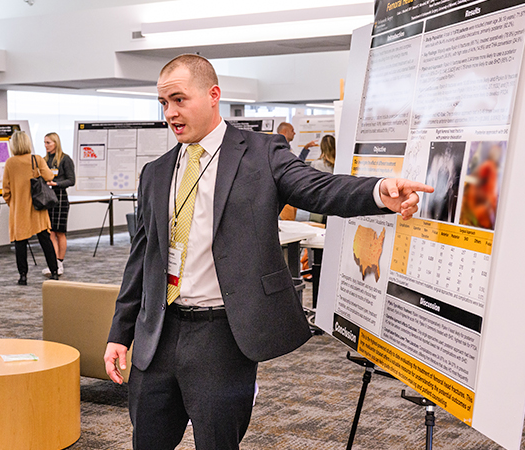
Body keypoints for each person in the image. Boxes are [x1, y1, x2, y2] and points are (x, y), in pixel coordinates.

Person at [104, 54, 432, 450]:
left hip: (221, 335)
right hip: (157, 333)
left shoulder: (261, 153)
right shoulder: (156, 171)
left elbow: (318, 188)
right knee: (147, 442)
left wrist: (378, 192)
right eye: (164, 104)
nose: (170, 113)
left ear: (213, 95)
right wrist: (119, 333)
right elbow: (143, 258)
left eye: (178, 99)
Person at [2, 130, 60, 285]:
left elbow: (5, 191)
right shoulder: (37, 159)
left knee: (20, 244)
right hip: (37, 208)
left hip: (19, 211)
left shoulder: (10, 163)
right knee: (45, 240)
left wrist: (14, 204)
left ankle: (23, 276)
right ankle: (54, 271)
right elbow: (49, 176)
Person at [41, 132, 75, 277]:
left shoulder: (65, 159)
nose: (46, 145)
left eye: (48, 142)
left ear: (56, 143)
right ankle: (53, 263)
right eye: (44, 143)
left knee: (60, 232)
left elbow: (71, 180)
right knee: (50, 232)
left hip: (60, 197)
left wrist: (56, 183)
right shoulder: (43, 160)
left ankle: (60, 262)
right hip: (47, 198)